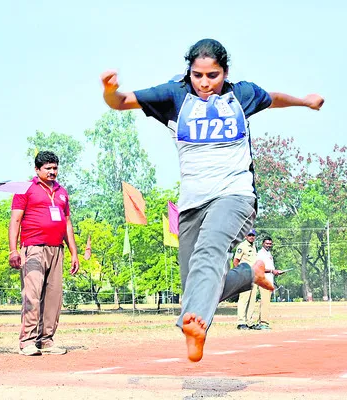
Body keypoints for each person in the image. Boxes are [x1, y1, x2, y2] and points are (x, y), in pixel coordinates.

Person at [100, 39, 318, 361]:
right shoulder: (175, 96)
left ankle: (196, 326)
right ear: (189, 72)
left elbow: (274, 98)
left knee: (209, 253)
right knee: (195, 285)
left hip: (235, 194)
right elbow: (120, 102)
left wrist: (304, 101)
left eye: (212, 75)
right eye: (197, 75)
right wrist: (109, 89)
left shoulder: (240, 95)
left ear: (225, 72)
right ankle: (250, 274)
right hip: (192, 202)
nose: (204, 83)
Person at [9, 151, 79, 356]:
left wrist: (74, 253)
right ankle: (27, 341)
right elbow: (15, 221)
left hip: (57, 248)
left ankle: (46, 340)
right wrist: (13, 250)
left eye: (55, 168)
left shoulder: (62, 192)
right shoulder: (25, 189)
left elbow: (67, 223)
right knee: (32, 294)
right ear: (37, 169)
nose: (52, 172)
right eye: (47, 168)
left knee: (53, 297)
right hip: (33, 248)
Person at [253, 237, 284, 330]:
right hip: (264, 281)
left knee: (265, 302)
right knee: (265, 302)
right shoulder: (260, 254)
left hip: (269, 280)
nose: (268, 245)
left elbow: (271, 268)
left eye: (270, 244)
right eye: (267, 243)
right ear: (263, 243)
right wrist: (272, 271)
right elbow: (259, 268)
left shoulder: (268, 253)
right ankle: (264, 323)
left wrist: (276, 272)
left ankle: (260, 322)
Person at [233, 229, 258, 330]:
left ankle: (249, 321)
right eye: (250, 235)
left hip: (254, 276)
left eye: (253, 235)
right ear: (245, 236)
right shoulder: (242, 246)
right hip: (245, 276)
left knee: (252, 300)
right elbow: (235, 261)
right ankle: (241, 322)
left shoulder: (254, 246)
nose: (251, 237)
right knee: (244, 299)